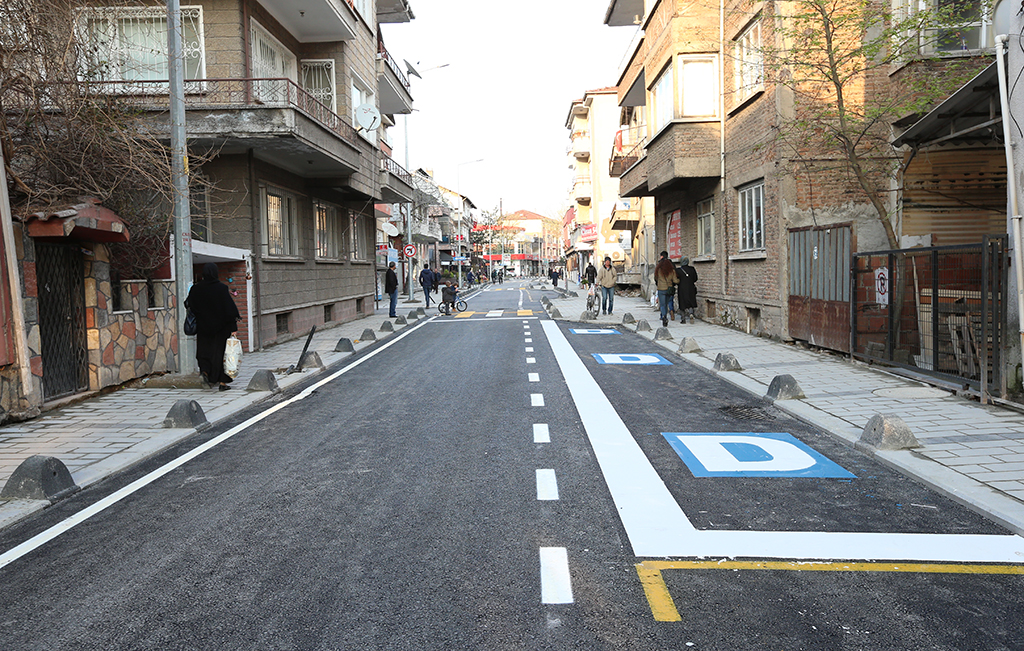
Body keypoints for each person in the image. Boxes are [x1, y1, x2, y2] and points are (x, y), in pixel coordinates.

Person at [185, 262, 240, 391]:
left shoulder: (196, 289)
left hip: (203, 327)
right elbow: (229, 309)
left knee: (204, 351)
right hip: (221, 328)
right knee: (220, 353)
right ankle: (222, 382)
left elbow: (189, 304)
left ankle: (205, 372)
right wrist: (233, 328)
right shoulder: (221, 288)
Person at [655, 252, 679, 327]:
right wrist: (678, 281)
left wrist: (658, 284)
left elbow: (655, 279)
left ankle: (664, 317)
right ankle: (671, 311)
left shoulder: (658, 270)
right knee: (668, 302)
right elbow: (675, 281)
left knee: (662, 305)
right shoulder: (672, 270)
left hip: (661, 289)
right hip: (669, 289)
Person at [676, 256, 699, 323]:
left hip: (682, 288)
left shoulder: (678, 270)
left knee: (682, 303)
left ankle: (683, 319)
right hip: (691, 288)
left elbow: (676, 280)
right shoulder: (692, 269)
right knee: (690, 301)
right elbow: (695, 278)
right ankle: (691, 314)